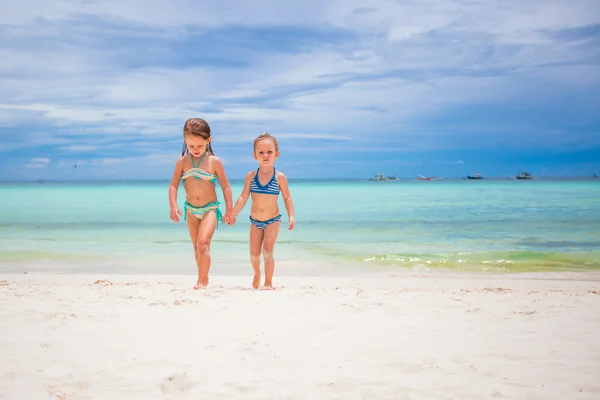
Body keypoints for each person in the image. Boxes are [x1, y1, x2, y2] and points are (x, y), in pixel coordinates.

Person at [168, 118, 234, 289]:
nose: (195, 150)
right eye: (191, 146)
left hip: (210, 209)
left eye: (200, 146)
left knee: (203, 242)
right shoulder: (182, 162)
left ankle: (202, 280)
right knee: (197, 248)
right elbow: (174, 185)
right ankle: (203, 276)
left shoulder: (214, 162)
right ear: (185, 142)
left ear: (208, 140)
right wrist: (173, 205)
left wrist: (229, 211)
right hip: (190, 210)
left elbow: (226, 187)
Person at [230, 133, 295, 289]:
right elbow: (243, 197)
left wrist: (291, 215)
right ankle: (257, 274)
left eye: (269, 152)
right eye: (261, 152)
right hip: (255, 221)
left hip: (273, 220)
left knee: (267, 251)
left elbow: (287, 197)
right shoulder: (251, 176)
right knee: (254, 255)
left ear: (276, 154)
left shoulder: (280, 177)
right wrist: (233, 213)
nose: (265, 155)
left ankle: (268, 282)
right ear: (255, 156)